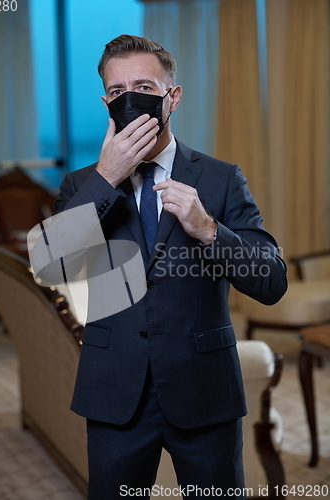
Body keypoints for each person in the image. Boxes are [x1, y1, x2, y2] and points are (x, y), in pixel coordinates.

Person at [53, 34, 287, 499]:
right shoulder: (81, 184)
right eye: (118, 93)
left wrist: (208, 229)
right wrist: (108, 178)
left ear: (172, 97)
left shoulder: (221, 178)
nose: (130, 100)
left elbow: (271, 281)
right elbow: (57, 265)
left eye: (144, 87)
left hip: (205, 391)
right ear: (106, 102)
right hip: (115, 391)